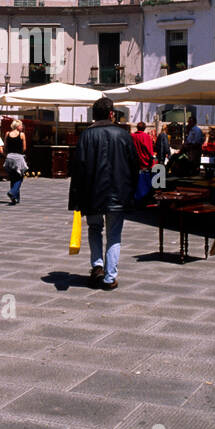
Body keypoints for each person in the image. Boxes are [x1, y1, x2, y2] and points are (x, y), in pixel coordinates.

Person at [69, 97, 139, 291]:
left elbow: (77, 168)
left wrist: (76, 198)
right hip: (118, 193)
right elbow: (134, 166)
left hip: (91, 193)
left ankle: (97, 266)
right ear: (111, 114)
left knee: (94, 229)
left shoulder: (85, 136)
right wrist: (131, 191)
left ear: (94, 115)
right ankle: (110, 277)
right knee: (114, 234)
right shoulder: (123, 135)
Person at [3, 119, 28, 206]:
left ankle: (15, 198)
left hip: (9, 157)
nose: (22, 127)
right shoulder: (22, 135)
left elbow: (5, 146)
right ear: (17, 126)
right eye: (21, 125)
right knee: (20, 177)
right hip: (18, 157)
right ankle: (12, 192)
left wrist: (7, 154)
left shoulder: (7, 134)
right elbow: (24, 148)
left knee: (13, 177)